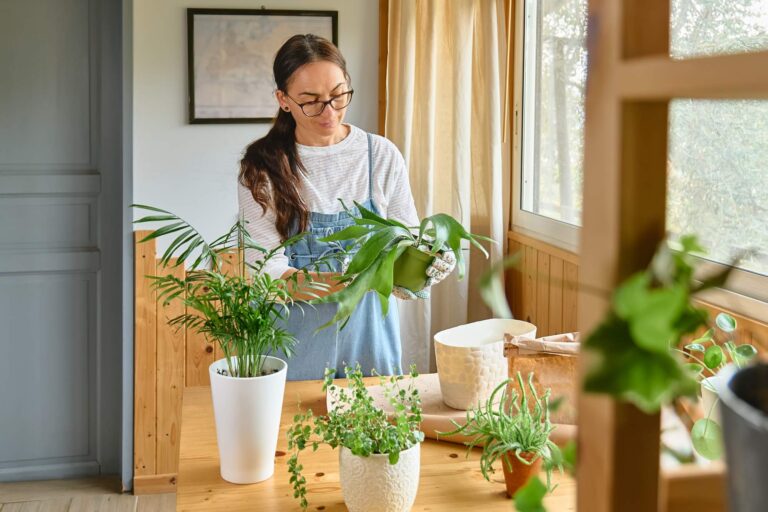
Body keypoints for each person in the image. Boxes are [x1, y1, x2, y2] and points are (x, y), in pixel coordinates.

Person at [238, 34, 454, 380]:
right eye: (311, 101)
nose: (329, 111)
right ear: (284, 100)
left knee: (375, 427)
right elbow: (268, 278)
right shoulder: (262, 168)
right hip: (292, 340)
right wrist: (355, 279)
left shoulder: (380, 156)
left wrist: (426, 263)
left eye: (339, 95)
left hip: (369, 337)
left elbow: (405, 255)